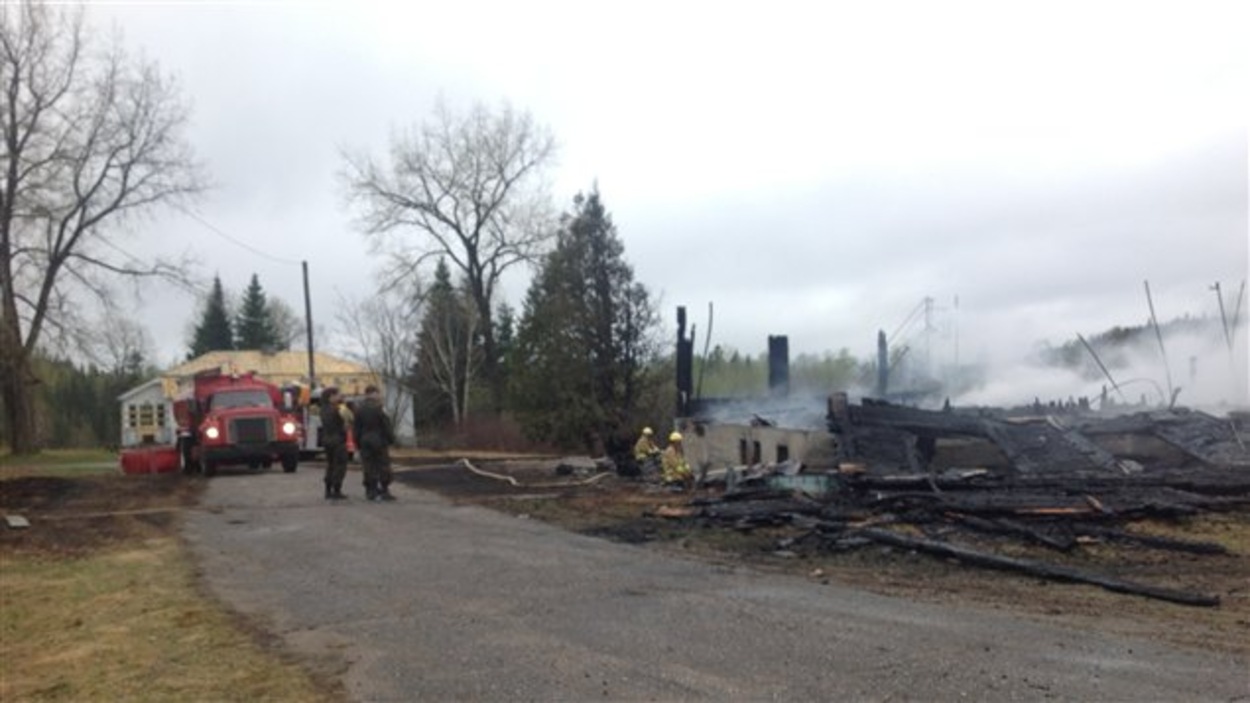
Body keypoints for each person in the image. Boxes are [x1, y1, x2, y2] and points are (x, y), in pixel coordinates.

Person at [354, 385, 397, 501]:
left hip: (364, 441)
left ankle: (370, 490)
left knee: (368, 466)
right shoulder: (380, 408)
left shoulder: (359, 409)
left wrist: (357, 443)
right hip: (379, 440)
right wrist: (391, 439)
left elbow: (356, 428)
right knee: (383, 465)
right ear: (373, 393)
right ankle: (384, 489)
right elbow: (386, 425)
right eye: (378, 393)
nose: (379, 396)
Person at [319, 388, 348, 500]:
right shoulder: (337, 409)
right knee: (339, 465)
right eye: (338, 395)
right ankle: (337, 490)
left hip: (327, 439)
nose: (340, 397)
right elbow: (348, 418)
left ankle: (328, 489)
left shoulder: (323, 409)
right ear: (331, 396)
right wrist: (343, 404)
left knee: (330, 465)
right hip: (338, 439)